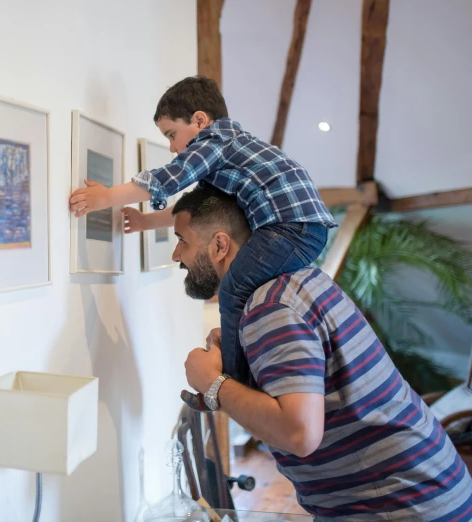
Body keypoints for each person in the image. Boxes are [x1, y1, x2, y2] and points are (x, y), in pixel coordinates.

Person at [174, 185, 472, 521]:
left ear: (219, 245)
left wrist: (211, 382)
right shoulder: (298, 280)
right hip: (425, 489)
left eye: (182, 241)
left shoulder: (270, 307)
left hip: (401, 505)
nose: (176, 255)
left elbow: (299, 434)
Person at [68, 76, 336, 387]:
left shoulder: (216, 142)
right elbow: (197, 212)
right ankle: (249, 363)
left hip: (292, 226)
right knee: (244, 290)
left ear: (199, 120)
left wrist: (108, 196)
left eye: (172, 134)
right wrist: (146, 222)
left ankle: (234, 379)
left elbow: (171, 177)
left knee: (233, 287)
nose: (171, 147)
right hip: (300, 227)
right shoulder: (229, 154)